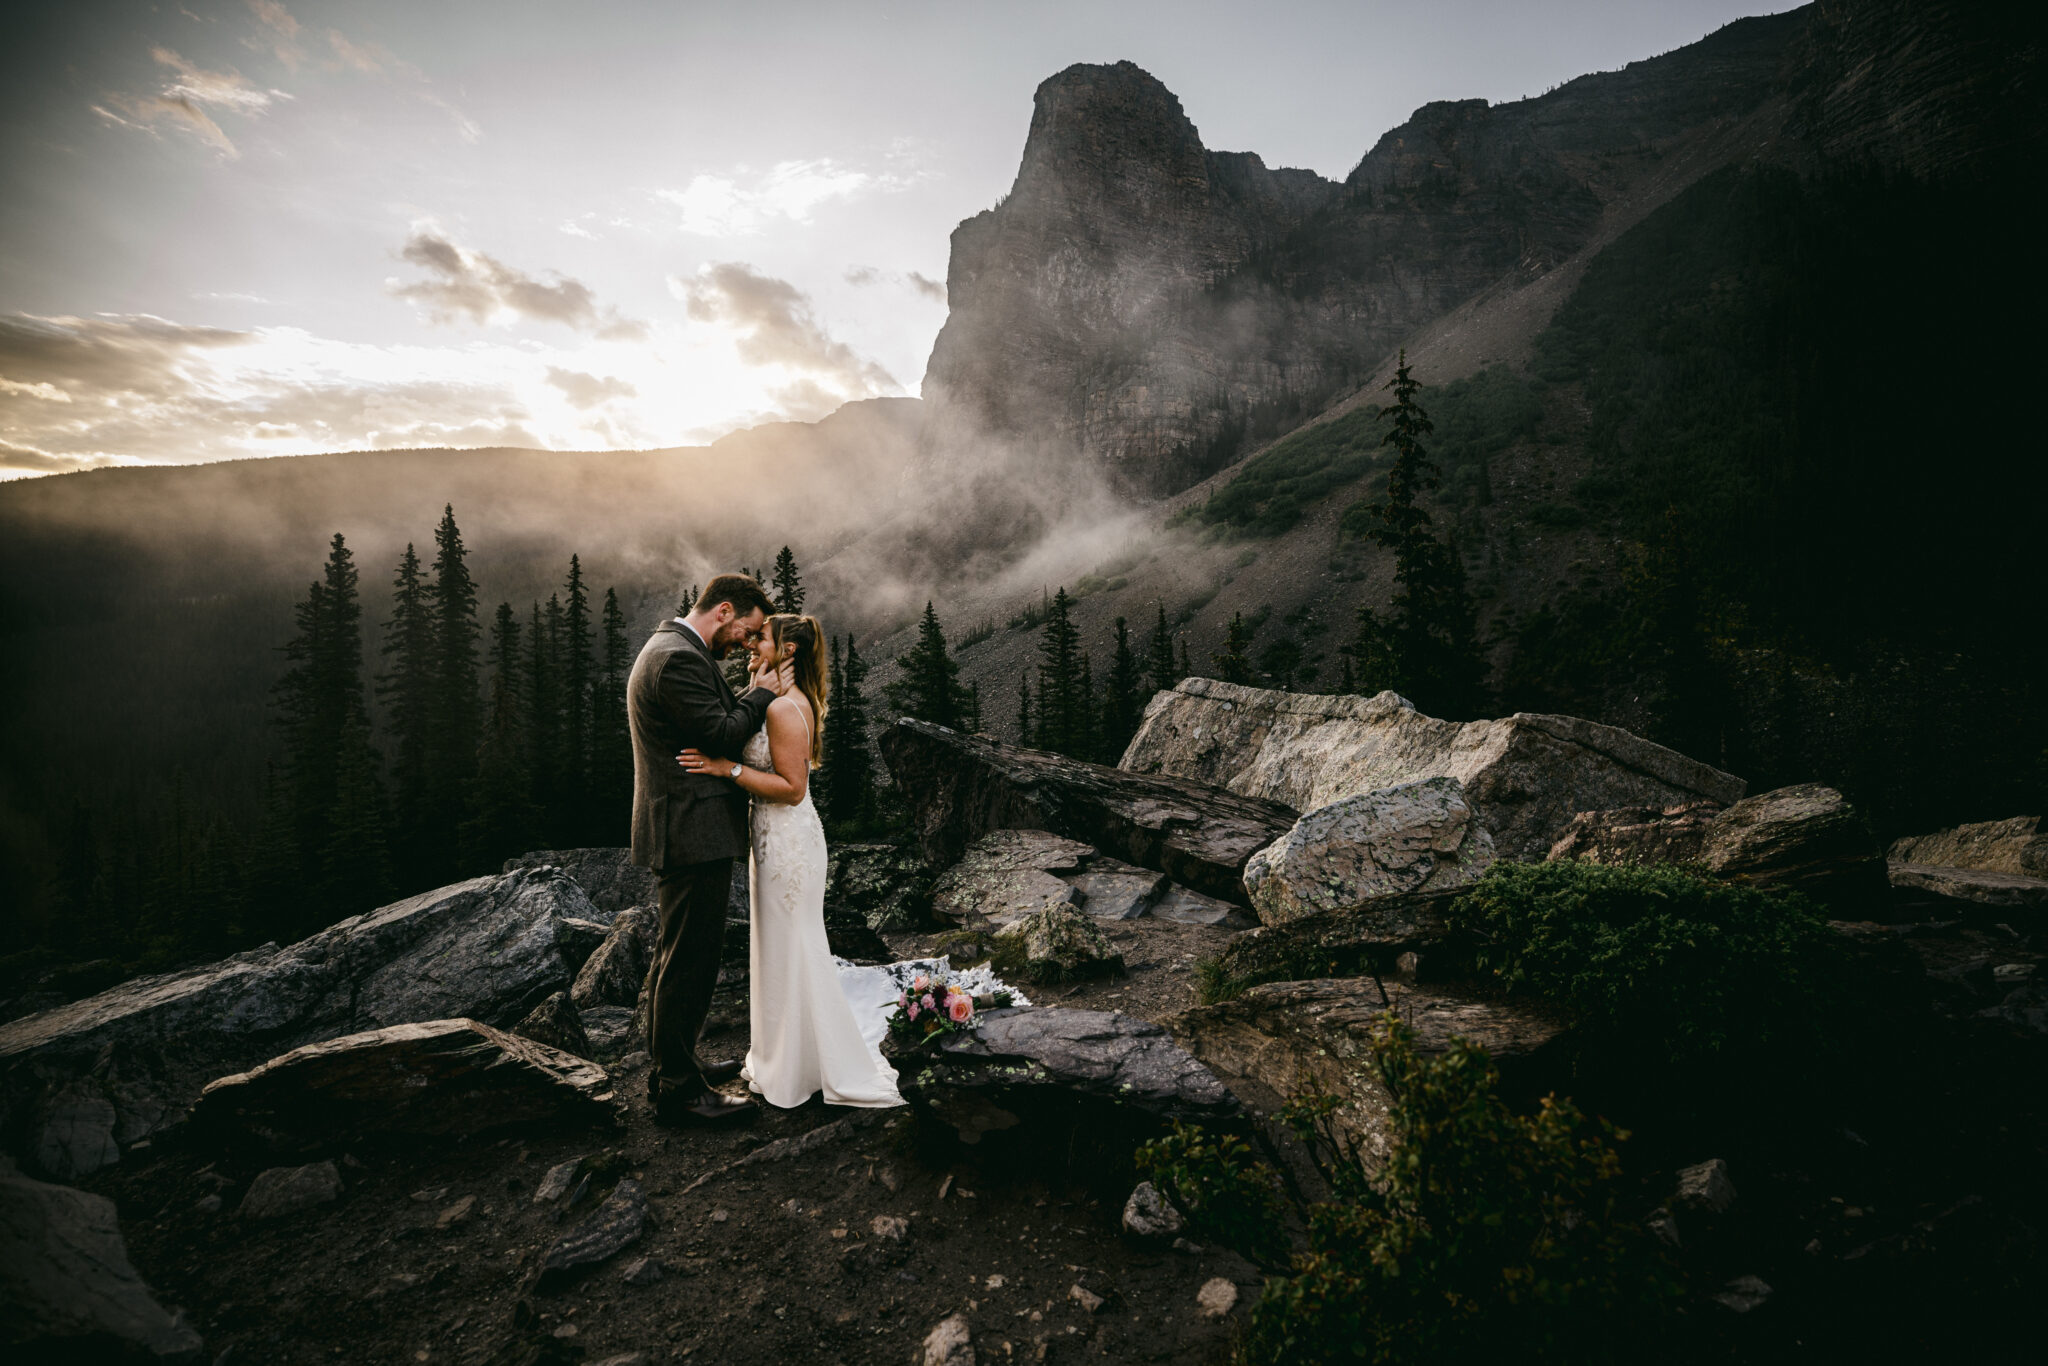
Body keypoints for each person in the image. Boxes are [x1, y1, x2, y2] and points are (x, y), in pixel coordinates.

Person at [678, 613, 904, 1109]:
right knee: (778, 949)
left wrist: (728, 768)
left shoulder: (784, 710)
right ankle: (788, 1057)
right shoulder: (779, 700)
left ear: (790, 651)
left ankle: (810, 1064)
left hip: (788, 844)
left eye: (762, 639)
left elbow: (793, 789)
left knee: (794, 946)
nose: (752, 644)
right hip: (773, 841)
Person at [627, 573, 788, 1126]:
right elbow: (720, 735)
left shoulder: (672, 650)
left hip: (685, 826)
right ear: (723, 610)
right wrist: (764, 693)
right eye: (745, 629)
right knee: (688, 961)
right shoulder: (677, 660)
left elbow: (708, 723)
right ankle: (678, 1092)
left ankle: (679, 1067)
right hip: (689, 829)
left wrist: (747, 693)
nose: (745, 642)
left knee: (679, 954)